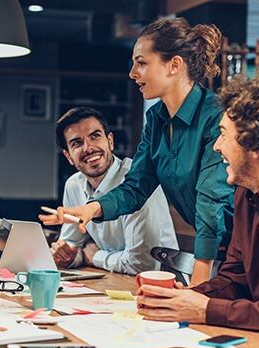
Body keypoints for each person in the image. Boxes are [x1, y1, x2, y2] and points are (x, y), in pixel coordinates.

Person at [136, 77, 259, 338]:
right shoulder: (246, 194)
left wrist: (207, 309)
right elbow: (235, 280)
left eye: (224, 134)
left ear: (255, 144)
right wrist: (186, 297)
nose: (217, 146)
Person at [41, 18, 234, 285]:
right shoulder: (156, 119)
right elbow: (136, 186)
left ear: (174, 65)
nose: (133, 73)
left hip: (245, 248)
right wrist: (92, 209)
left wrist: (199, 286)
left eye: (141, 63)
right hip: (218, 255)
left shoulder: (216, 116)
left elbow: (210, 202)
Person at [50, 107, 178, 275]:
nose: (88, 148)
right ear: (68, 157)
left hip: (161, 284)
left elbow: (142, 265)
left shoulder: (138, 181)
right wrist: (68, 255)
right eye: (77, 143)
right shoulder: (73, 185)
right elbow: (74, 246)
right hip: (112, 280)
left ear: (110, 141)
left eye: (95, 136)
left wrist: (96, 256)